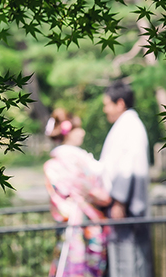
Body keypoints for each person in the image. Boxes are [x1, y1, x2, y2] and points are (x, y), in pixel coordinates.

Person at [43, 108, 111, 277]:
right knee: (85, 265)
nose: (82, 132)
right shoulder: (74, 159)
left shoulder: (55, 162)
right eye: (78, 129)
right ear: (68, 133)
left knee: (70, 265)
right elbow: (94, 189)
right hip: (83, 222)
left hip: (70, 223)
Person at [100, 80, 153, 277]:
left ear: (120, 103)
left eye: (107, 105)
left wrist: (120, 201)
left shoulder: (131, 126)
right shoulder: (126, 125)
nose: (105, 110)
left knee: (130, 259)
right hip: (120, 204)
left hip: (126, 207)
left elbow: (127, 166)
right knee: (125, 256)